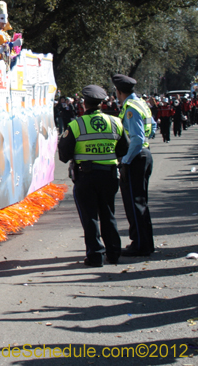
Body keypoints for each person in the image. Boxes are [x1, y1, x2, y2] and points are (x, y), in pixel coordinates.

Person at [58, 85, 129, 267]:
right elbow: (124, 148)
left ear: (84, 104)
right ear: (102, 103)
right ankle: (113, 253)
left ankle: (95, 256)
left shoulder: (77, 124)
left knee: (90, 217)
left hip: (86, 176)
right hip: (109, 175)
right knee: (108, 214)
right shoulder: (115, 122)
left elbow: (64, 154)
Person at [113, 74, 156, 257]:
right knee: (140, 202)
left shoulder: (130, 108)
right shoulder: (141, 103)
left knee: (134, 204)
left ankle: (139, 245)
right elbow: (153, 127)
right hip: (144, 154)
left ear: (119, 91)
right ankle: (145, 243)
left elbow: (137, 138)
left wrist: (125, 160)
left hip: (135, 158)